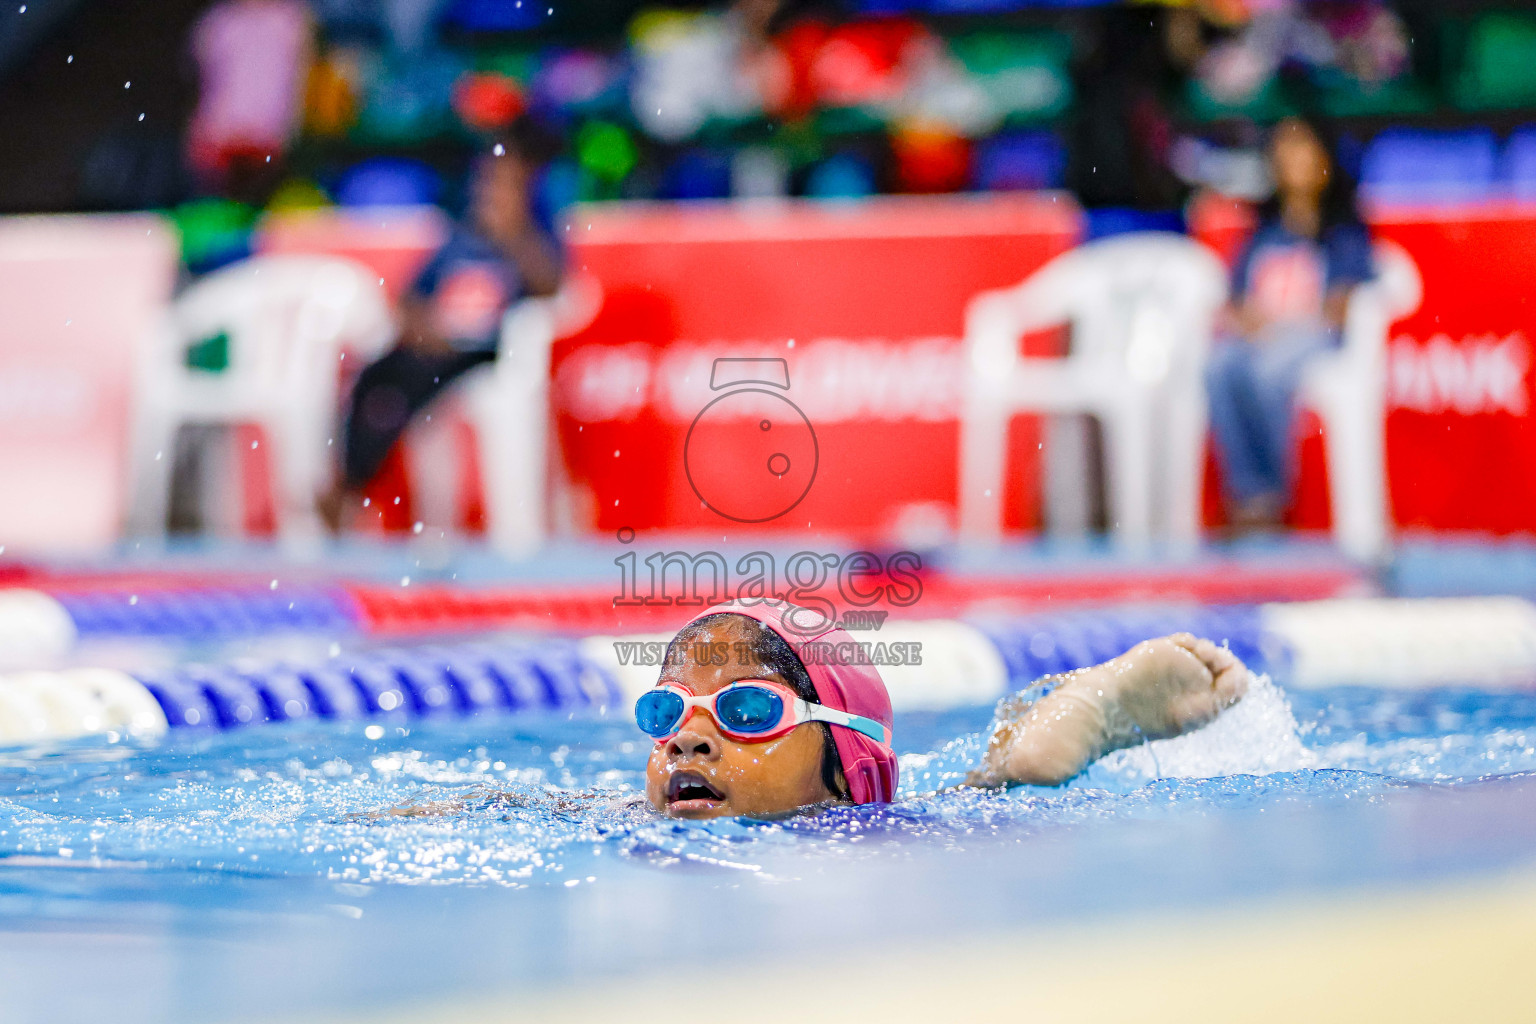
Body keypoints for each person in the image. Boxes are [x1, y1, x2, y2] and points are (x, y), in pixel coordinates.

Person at [640, 599, 1249, 819]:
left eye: (748, 711)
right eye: (668, 712)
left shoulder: (862, 830)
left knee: (967, 801)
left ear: (849, 764)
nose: (686, 741)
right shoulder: (618, 822)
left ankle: (1054, 736)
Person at [318, 121, 564, 530]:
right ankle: (349, 483)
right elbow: (410, 297)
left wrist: (515, 236)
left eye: (505, 185)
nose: (493, 194)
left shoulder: (534, 239)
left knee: (413, 382)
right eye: (488, 184)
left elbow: (551, 287)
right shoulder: (461, 239)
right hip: (437, 348)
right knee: (376, 377)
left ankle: (349, 488)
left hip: (485, 355)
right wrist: (424, 326)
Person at [1204, 115, 1374, 531]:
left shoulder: (1343, 232)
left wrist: (1286, 324)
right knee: (1219, 365)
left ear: (1325, 159)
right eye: (1283, 150)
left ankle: (1275, 498)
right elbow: (1236, 300)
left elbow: (1343, 303)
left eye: (1302, 147)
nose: (1291, 160)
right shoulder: (1263, 234)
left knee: (1269, 369)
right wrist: (1250, 322)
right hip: (1263, 337)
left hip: (1316, 337)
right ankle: (1248, 494)